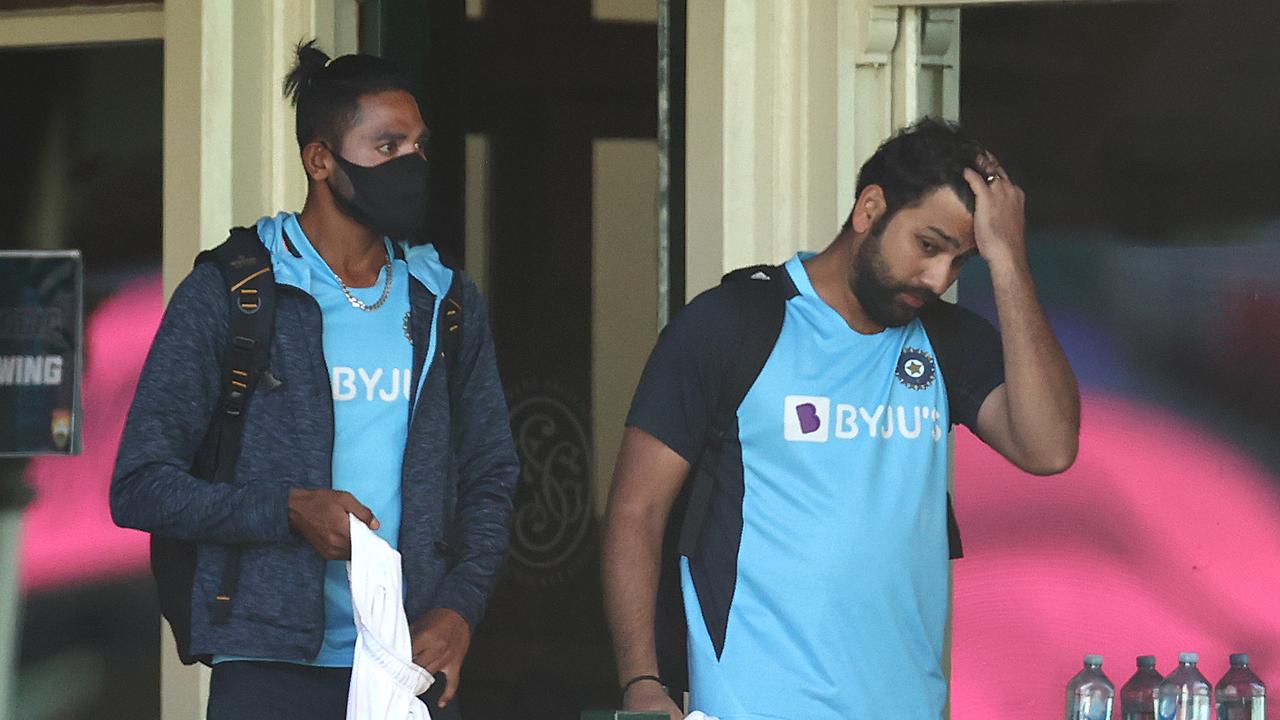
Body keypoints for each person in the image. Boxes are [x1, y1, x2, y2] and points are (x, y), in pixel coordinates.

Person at [602, 118, 1080, 720]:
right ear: (870, 209)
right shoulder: (733, 326)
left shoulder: (947, 340)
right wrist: (641, 682)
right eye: (928, 245)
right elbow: (635, 511)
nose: (937, 279)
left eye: (962, 262)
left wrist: (1009, 259)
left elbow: (1051, 448)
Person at [110, 41, 518, 720]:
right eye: (386, 146)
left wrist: (459, 609)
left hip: (404, 662)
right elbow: (140, 486)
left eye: (419, 146)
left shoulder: (444, 300)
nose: (410, 163)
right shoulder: (235, 290)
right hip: (269, 668)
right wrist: (288, 509)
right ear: (320, 159)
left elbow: (491, 474)